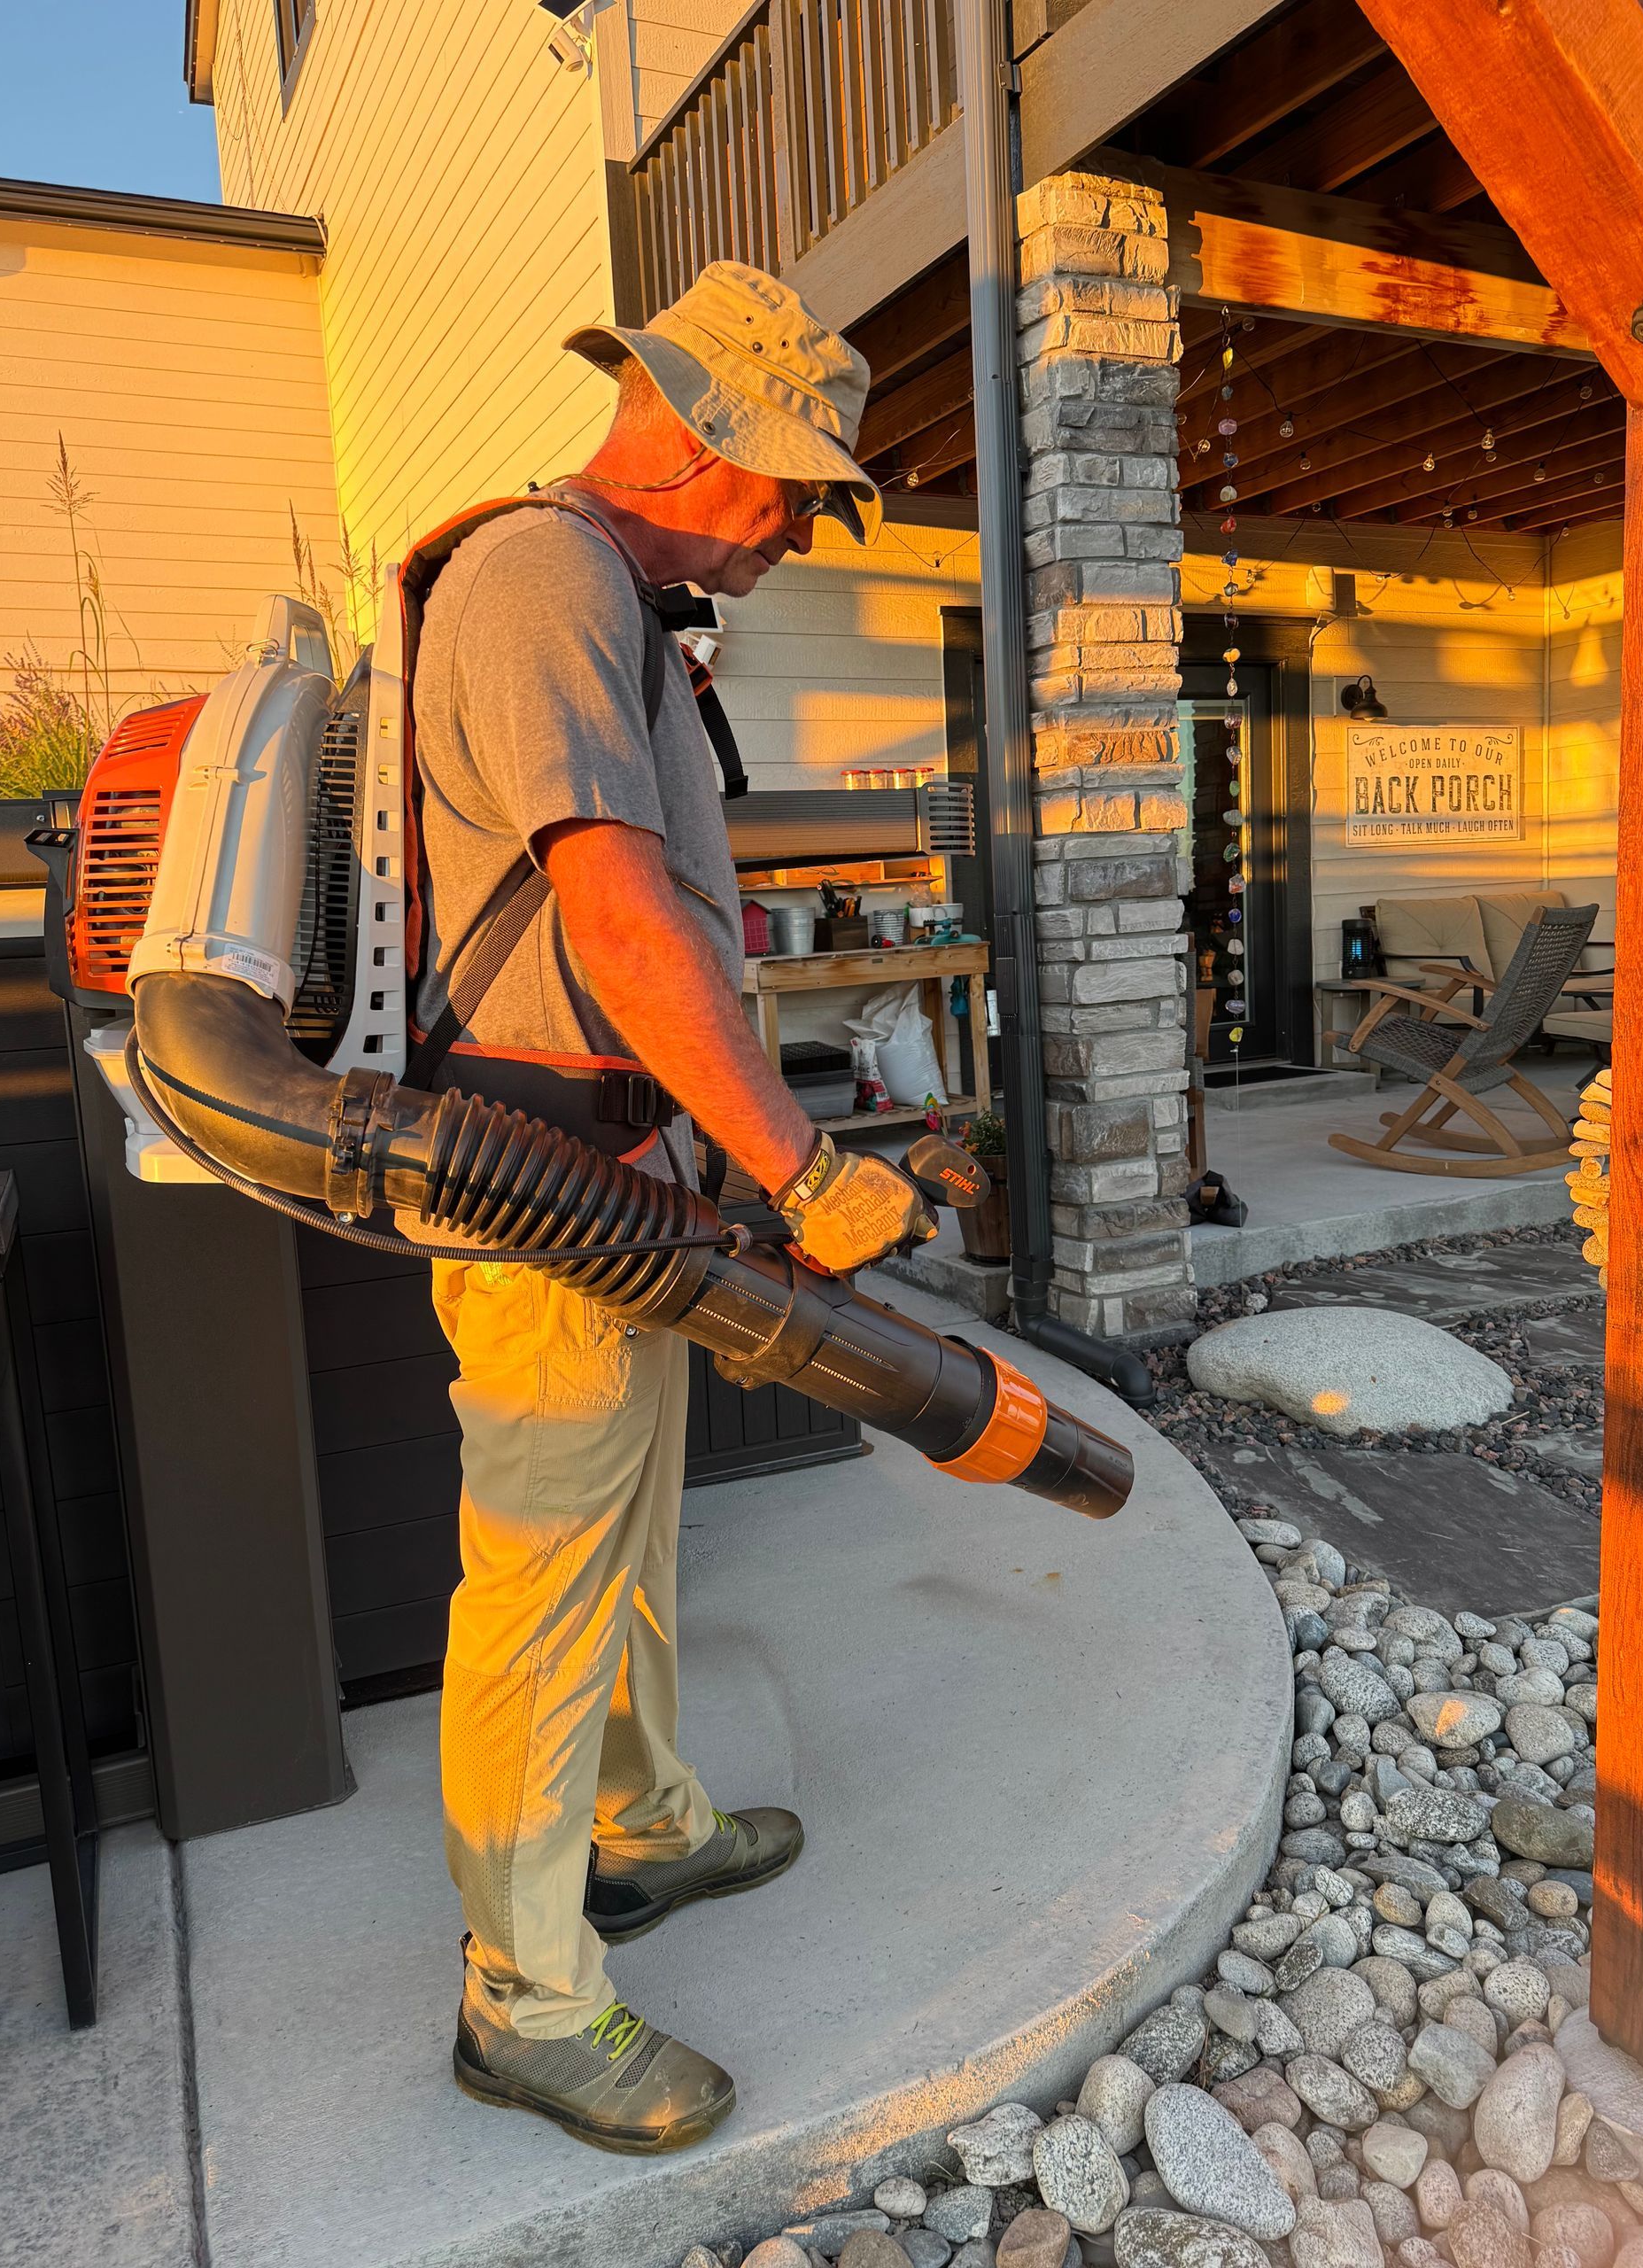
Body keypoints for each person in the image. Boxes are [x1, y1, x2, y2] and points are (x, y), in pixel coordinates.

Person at [409, 260, 935, 2155]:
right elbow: (618, 918)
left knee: (620, 1541)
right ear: (699, 433)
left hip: (618, 1172)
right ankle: (526, 1999)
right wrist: (803, 1163)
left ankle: (643, 1829)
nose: (803, 523)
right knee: (541, 1592)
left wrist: (713, 1151)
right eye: (797, 484)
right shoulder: (544, 581)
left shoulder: (619, 599)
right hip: (543, 1178)